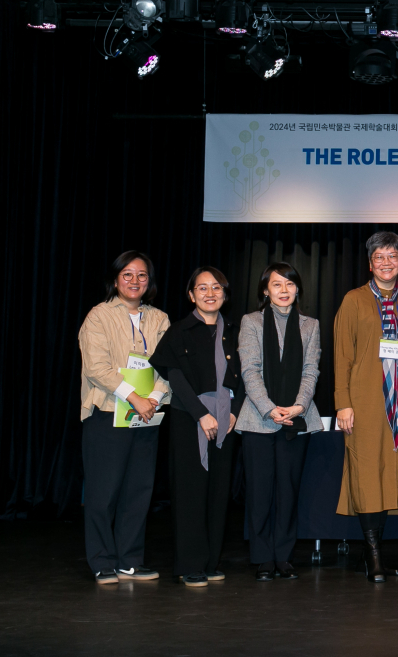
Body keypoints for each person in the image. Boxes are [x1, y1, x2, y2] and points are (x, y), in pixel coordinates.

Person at [334, 231, 398, 582]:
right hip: (365, 401)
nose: (386, 263)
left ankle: (371, 551)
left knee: (390, 476)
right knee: (368, 474)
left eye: (393, 257)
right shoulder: (353, 301)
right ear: (370, 263)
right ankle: (373, 556)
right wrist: (343, 403)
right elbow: (342, 355)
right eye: (379, 257)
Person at [149, 267, 246, 587]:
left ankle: (210, 561)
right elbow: (174, 377)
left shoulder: (234, 331)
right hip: (189, 419)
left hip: (226, 420)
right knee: (190, 493)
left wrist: (233, 412)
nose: (210, 293)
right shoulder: (179, 331)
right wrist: (200, 414)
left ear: (225, 294)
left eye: (216, 287)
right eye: (202, 288)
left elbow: (245, 378)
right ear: (191, 295)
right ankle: (190, 564)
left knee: (218, 494)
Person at [79, 251, 170, 584]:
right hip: (107, 413)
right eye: (128, 274)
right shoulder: (99, 316)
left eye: (142, 275)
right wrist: (134, 398)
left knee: (139, 491)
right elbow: (96, 367)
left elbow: (168, 365)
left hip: (148, 415)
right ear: (116, 279)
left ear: (150, 281)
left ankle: (129, 560)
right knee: (103, 493)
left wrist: (153, 399)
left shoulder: (160, 319)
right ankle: (102, 560)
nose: (135, 281)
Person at [237, 261, 324, 581]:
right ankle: (262, 557)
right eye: (277, 285)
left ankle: (283, 556)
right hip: (260, 420)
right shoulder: (251, 322)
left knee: (288, 491)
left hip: (296, 419)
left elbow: (311, 370)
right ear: (265, 290)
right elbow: (250, 369)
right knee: (260, 492)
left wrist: (299, 406)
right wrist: (269, 407)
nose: (284, 290)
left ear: (297, 288)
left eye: (289, 284)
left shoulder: (310, 325)